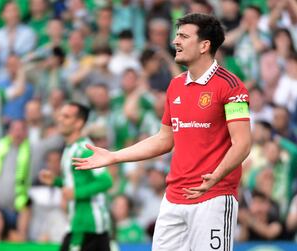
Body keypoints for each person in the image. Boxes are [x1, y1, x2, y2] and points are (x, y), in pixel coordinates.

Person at [73, 13, 252, 251]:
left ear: (204, 45)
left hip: (213, 198)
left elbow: (242, 143)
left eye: (183, 36)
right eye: (177, 35)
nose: (175, 41)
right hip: (173, 200)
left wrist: (217, 175)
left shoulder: (231, 86)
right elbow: (164, 140)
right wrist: (114, 156)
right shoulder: (176, 85)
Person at [39, 102, 113, 251]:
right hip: (80, 223)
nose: (60, 119)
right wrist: (57, 181)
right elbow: (76, 182)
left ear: (79, 123)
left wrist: (76, 193)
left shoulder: (84, 150)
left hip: (89, 224)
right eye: (60, 115)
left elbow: (105, 181)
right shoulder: (69, 148)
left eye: (66, 117)